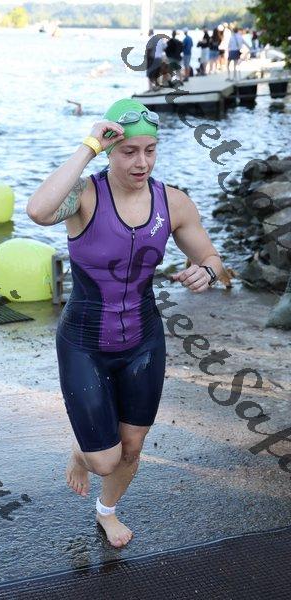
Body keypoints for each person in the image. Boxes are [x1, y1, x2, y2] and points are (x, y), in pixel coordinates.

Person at [26, 97, 225, 548]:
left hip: (143, 341)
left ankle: (107, 511)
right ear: (110, 151)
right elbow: (38, 211)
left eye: (150, 150)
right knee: (103, 459)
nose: (142, 162)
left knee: (132, 447)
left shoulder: (172, 202)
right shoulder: (85, 196)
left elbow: (212, 258)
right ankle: (83, 451)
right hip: (85, 343)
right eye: (129, 151)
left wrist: (208, 272)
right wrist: (88, 146)